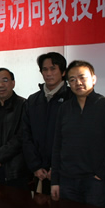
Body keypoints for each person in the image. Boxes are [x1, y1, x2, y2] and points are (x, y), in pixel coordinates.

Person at [51, 60, 105, 208]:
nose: (78, 83)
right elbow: (57, 146)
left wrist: (100, 174)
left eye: (82, 77)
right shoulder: (64, 109)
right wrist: (55, 181)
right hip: (67, 181)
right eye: (72, 79)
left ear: (93, 79)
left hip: (95, 182)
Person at [22, 52, 72, 195]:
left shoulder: (72, 98)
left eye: (53, 68)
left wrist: (57, 168)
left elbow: (72, 139)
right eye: (45, 69)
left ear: (63, 72)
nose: (48, 73)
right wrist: (35, 166)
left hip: (65, 173)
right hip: (39, 173)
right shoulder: (32, 100)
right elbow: (25, 135)